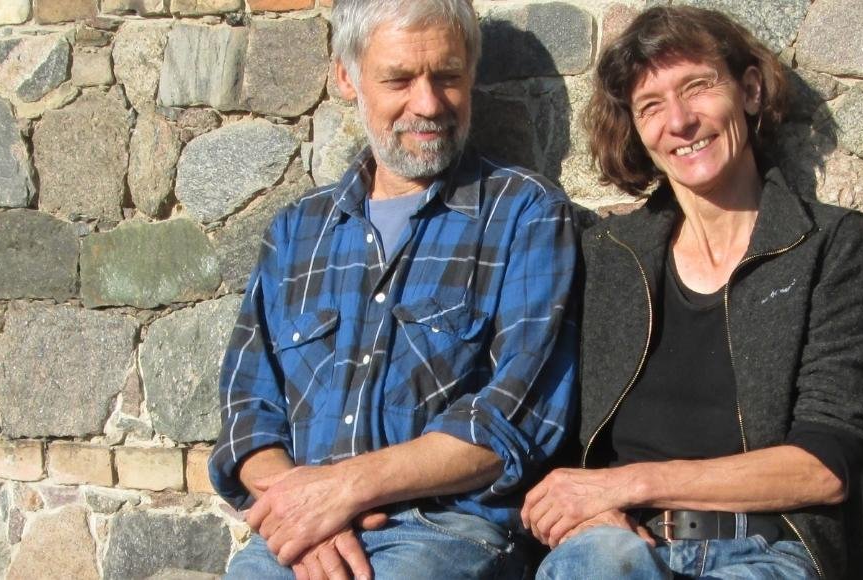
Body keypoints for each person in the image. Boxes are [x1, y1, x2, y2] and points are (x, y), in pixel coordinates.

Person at [206, 0, 582, 578]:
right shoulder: (297, 231)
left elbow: (516, 420)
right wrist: (305, 509)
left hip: (447, 532)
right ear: (347, 76)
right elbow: (248, 414)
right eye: (399, 80)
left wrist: (342, 489)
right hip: (301, 532)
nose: (428, 104)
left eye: (448, 76)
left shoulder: (525, 215)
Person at [521, 6, 863, 580]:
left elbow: (823, 468)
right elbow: (549, 424)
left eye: (697, 87)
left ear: (751, 90)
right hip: (616, 542)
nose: (680, 121)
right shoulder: (608, 255)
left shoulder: (829, 246)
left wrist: (628, 483)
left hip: (765, 550)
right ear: (636, 130)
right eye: (650, 106)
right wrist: (593, 513)